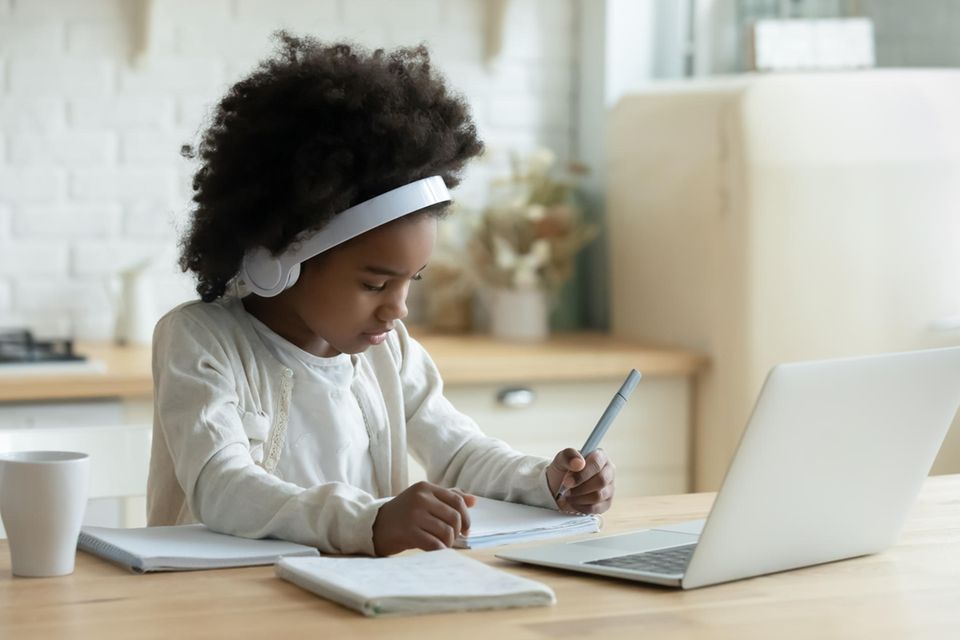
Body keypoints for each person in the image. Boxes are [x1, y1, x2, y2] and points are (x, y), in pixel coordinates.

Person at [147, 33, 615, 556]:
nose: (398, 308)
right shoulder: (200, 340)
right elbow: (223, 489)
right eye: (374, 284)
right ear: (278, 259)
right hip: (223, 607)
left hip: (357, 600)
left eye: (411, 280)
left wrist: (546, 482)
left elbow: (458, 451)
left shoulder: (386, 351)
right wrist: (368, 522)